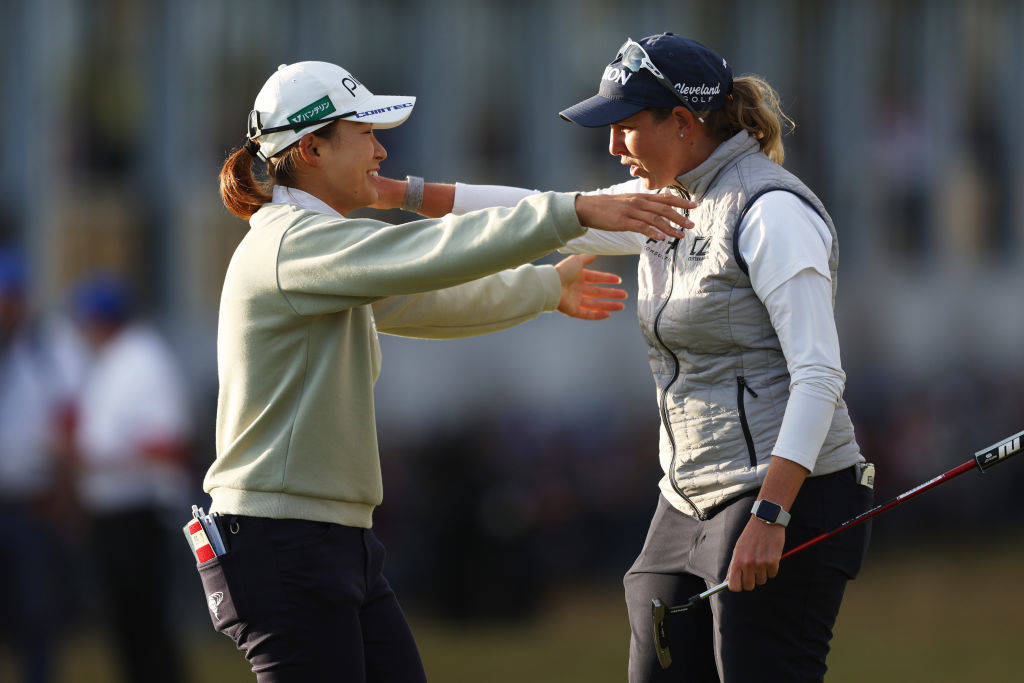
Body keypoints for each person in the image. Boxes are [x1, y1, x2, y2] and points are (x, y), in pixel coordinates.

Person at [371, 34, 874, 683]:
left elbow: (819, 375)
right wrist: (395, 193)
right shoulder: (666, 202)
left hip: (786, 495)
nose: (611, 146)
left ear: (683, 123)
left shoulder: (772, 211)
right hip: (688, 496)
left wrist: (772, 514)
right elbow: (531, 212)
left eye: (626, 127)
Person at [202, 60, 693, 682]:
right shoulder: (292, 243)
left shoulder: (317, 243)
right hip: (284, 541)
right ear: (311, 148)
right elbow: (427, 255)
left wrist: (544, 287)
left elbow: (427, 301)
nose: (382, 150)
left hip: (324, 538)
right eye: (366, 135)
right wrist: (572, 212)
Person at [72, 274, 191, 683]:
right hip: (114, 511)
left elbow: (170, 443)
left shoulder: (143, 359)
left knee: (145, 624)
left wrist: (101, 457)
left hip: (139, 510)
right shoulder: (114, 359)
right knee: (127, 625)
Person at [0, 250, 87, 683]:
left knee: (37, 619)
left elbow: (69, 424)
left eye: (12, 298)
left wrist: (68, 498)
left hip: (31, 504)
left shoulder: (47, 348)